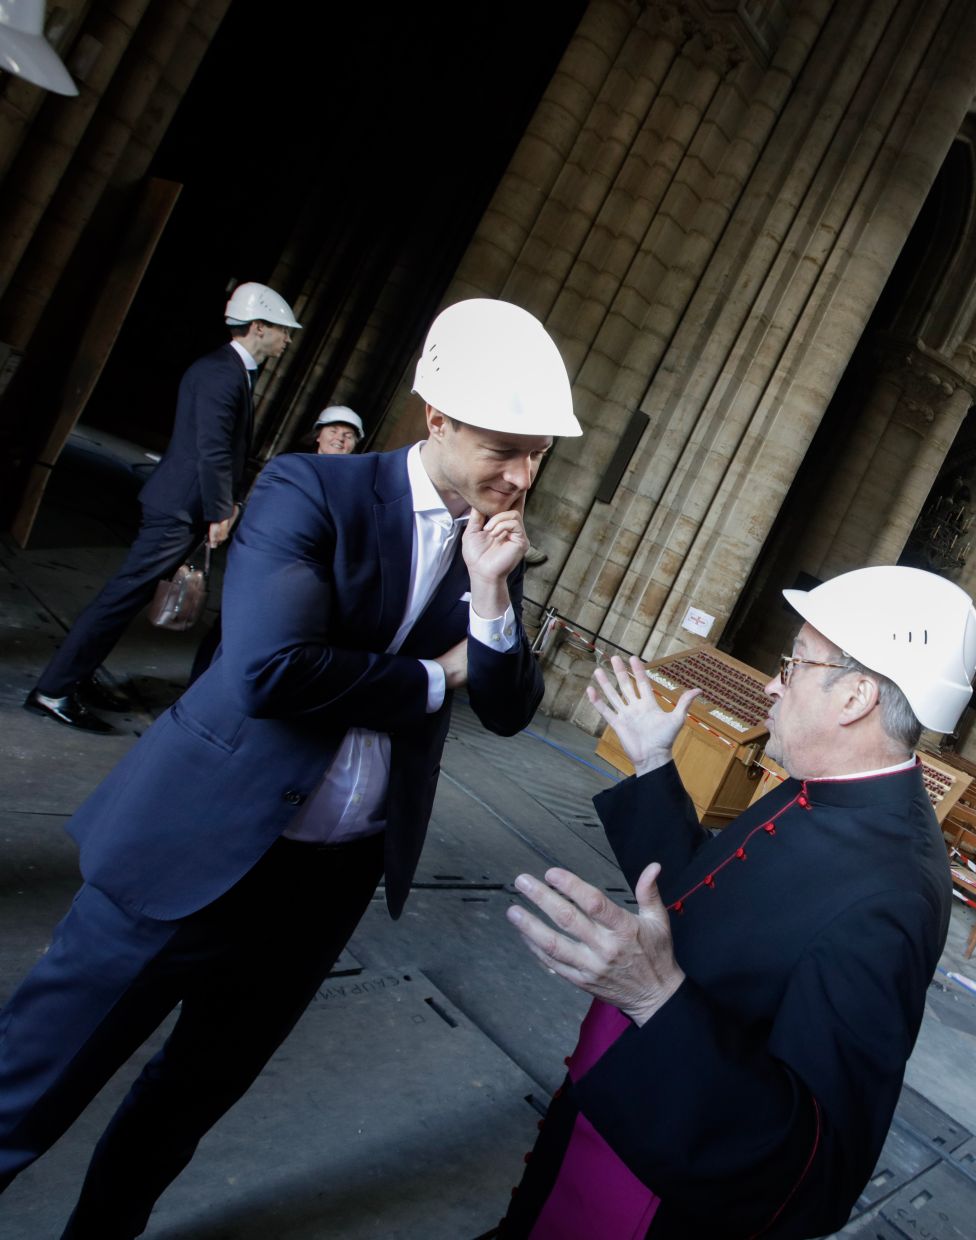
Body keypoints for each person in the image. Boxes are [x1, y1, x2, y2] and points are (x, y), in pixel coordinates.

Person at [0, 298, 578, 1234]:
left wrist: (491, 593)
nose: (521, 477)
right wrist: (435, 678)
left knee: (178, 1114)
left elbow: (510, 709)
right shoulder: (311, 490)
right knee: (30, 1086)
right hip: (193, 848)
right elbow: (272, 672)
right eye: (504, 449)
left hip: (322, 889)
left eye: (538, 455)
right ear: (437, 417)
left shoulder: (493, 542)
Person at [500, 566, 976, 1239]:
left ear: (856, 697)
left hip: (661, 1202)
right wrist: (652, 767)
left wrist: (654, 1000)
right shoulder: (824, 787)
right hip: (619, 1114)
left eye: (795, 664)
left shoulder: (892, 898)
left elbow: (817, 1172)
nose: (773, 683)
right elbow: (715, 908)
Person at [23, 281, 301, 733]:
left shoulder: (230, 370)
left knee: (124, 597)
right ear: (258, 327)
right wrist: (218, 510)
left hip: (182, 504)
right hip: (180, 507)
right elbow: (211, 450)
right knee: (120, 598)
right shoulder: (221, 374)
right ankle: (54, 690)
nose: (287, 339)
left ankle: (76, 676)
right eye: (283, 331)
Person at [187, 403, 364, 682]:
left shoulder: (357, 481)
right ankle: (199, 683)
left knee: (274, 634)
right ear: (318, 435)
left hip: (306, 573)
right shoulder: (288, 465)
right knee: (230, 624)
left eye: (349, 435)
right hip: (265, 558)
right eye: (334, 430)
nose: (340, 439)